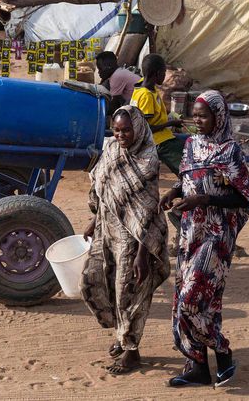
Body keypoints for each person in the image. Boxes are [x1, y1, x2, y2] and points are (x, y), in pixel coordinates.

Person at [160, 91, 249, 387]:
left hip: (216, 235)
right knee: (201, 302)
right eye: (195, 115)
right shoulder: (190, 144)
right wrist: (175, 191)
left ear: (218, 116)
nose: (197, 121)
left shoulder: (231, 150)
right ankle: (198, 367)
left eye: (204, 116)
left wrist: (203, 199)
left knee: (191, 300)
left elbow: (243, 198)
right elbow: (188, 177)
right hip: (190, 233)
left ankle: (223, 352)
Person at [80, 106, 170, 376]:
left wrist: (143, 253)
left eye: (126, 130)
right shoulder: (111, 150)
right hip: (107, 230)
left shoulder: (147, 160)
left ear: (139, 129)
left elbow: (148, 209)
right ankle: (122, 335)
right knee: (95, 281)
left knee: (128, 293)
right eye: (117, 129)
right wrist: (95, 220)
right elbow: (103, 185)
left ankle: (132, 350)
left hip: (134, 239)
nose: (120, 135)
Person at [131, 54, 184, 175]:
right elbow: (146, 128)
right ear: (157, 73)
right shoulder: (146, 96)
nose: (165, 76)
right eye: (164, 73)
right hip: (158, 141)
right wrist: (170, 123)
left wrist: (169, 117)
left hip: (163, 136)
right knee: (184, 164)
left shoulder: (143, 86)